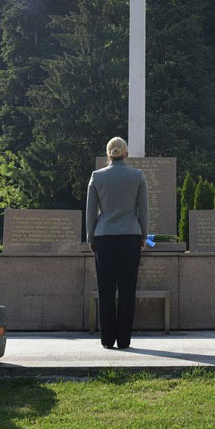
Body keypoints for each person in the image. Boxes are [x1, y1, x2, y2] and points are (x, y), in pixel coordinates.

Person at [85, 136, 149, 349]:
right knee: (127, 289)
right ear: (126, 153)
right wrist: (143, 235)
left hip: (104, 237)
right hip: (130, 235)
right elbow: (143, 210)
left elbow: (91, 211)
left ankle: (106, 339)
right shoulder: (137, 176)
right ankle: (123, 340)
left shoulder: (97, 176)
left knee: (106, 288)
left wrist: (90, 237)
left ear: (108, 154)